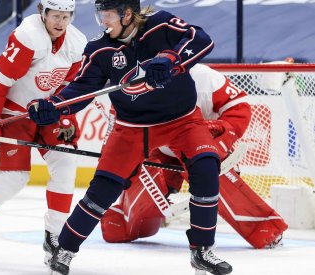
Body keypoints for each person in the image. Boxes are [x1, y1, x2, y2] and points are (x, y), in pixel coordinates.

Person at [27, 1, 233, 274]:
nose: (102, 21)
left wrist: (172, 59)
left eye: (107, 15)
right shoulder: (99, 49)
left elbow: (201, 39)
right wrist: (53, 106)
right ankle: (63, 250)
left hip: (181, 121)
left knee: (206, 166)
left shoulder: (161, 25)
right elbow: (82, 89)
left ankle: (202, 251)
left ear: (127, 14)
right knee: (103, 190)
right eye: (99, 15)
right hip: (131, 127)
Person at [0, 0, 87, 266]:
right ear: (42, 12)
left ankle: (54, 237)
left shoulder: (77, 42)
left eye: (66, 16)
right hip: (16, 110)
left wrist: (65, 115)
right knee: (14, 177)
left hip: (47, 111)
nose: (60, 22)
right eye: (55, 15)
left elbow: (69, 86)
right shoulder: (28, 36)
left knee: (66, 161)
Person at [100, 64, 288, 249]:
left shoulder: (205, 77)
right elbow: (118, 127)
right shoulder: (136, 80)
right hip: (161, 149)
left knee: (213, 173)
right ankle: (130, 220)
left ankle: (264, 227)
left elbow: (239, 107)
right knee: (118, 227)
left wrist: (222, 131)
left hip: (204, 146)